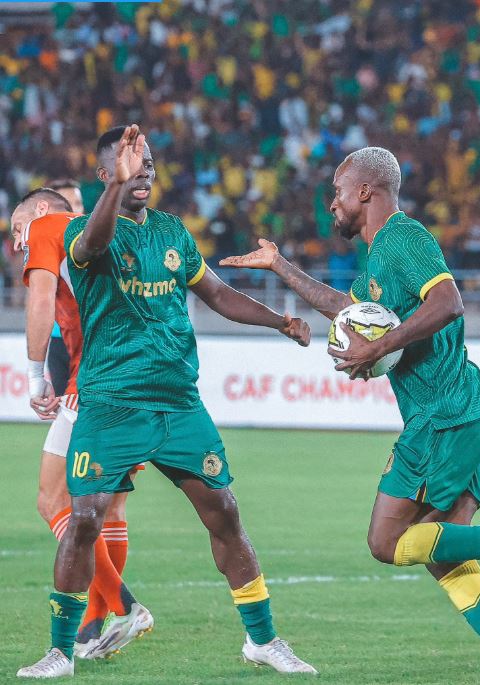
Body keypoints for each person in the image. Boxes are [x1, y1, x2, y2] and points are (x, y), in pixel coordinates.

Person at [221, 146, 480, 685]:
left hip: (442, 413)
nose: (332, 204)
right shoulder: (379, 257)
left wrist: (380, 346)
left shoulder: (405, 238)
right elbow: (346, 310)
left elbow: (449, 302)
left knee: (386, 542)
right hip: (458, 410)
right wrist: (280, 267)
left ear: (365, 191)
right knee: (443, 553)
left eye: (338, 192)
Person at [17, 125, 317, 679]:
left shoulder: (173, 232)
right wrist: (117, 187)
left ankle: (263, 640)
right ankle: (61, 651)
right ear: (106, 174)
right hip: (111, 403)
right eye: (132, 165)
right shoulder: (84, 231)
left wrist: (280, 321)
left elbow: (217, 294)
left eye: (149, 164)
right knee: (83, 520)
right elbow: (92, 245)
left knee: (225, 513)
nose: (145, 173)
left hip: (178, 402)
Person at [11, 188, 152, 662]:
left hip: (93, 382)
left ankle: (125, 608)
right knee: (109, 511)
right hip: (139, 379)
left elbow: (40, 302)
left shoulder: (49, 229)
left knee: (52, 500)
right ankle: (93, 628)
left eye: (17, 229)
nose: (18, 243)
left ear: (40, 212)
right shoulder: (112, 234)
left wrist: (36, 377)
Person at [45, 180, 85, 394]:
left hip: (93, 341)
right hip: (58, 342)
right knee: (64, 408)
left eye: (77, 203)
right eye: (66, 205)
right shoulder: (43, 251)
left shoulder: (98, 245)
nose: (73, 211)